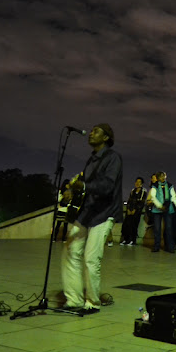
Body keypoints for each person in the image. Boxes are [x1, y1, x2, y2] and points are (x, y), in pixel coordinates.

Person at [61, 123, 123, 314]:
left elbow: (107, 185)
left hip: (104, 213)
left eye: (97, 131)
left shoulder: (113, 158)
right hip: (87, 212)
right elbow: (86, 186)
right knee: (70, 251)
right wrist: (73, 192)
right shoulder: (91, 160)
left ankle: (92, 302)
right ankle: (74, 300)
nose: (91, 133)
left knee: (91, 259)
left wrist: (84, 186)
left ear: (106, 138)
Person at [147, 171, 176, 253]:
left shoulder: (170, 186)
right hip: (157, 210)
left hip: (167, 209)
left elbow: (173, 197)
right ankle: (156, 246)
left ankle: (170, 247)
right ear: (158, 178)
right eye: (161, 176)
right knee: (157, 229)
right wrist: (160, 206)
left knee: (169, 228)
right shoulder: (154, 186)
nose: (163, 178)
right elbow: (153, 197)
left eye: (164, 176)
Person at [120, 177, 147, 246]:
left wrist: (135, 210)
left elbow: (141, 202)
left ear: (142, 184)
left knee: (134, 226)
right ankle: (126, 240)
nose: (137, 183)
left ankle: (132, 240)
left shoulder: (143, 191)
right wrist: (128, 209)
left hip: (137, 212)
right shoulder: (133, 191)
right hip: (129, 211)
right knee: (126, 225)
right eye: (136, 182)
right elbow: (129, 201)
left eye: (139, 182)